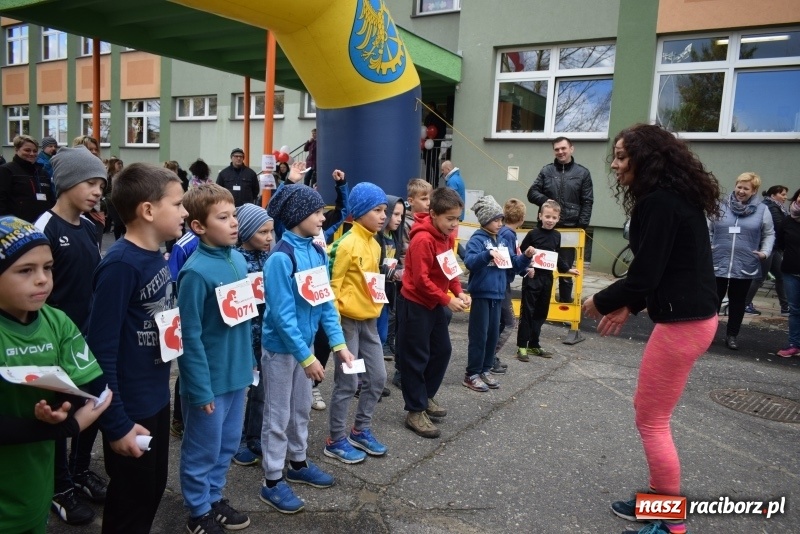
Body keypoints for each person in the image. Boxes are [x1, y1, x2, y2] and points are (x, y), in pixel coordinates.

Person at [582, 123, 721, 534]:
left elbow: (644, 275)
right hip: (692, 318)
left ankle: (669, 523)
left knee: (652, 420)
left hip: (686, 324)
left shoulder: (659, 201)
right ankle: (657, 501)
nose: (615, 163)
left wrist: (603, 301)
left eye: (622, 156)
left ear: (646, 159)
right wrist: (631, 304)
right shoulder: (674, 197)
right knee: (652, 415)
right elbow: (666, 269)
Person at [86, 163, 187, 534]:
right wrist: (116, 425)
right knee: (131, 501)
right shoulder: (120, 266)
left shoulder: (155, 256)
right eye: (177, 204)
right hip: (129, 411)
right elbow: (99, 352)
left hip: (156, 400)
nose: (185, 211)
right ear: (148, 210)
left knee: (152, 489)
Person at [0, 216, 112, 534]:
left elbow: (93, 383)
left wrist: (64, 405)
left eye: (47, 267)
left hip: (33, 493)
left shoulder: (56, 321)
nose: (42, 280)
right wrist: (67, 426)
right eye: (26, 270)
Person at [259, 184, 355, 513]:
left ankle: (297, 464)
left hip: (306, 349)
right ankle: (272, 480)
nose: (322, 217)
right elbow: (283, 319)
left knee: (300, 408)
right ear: (297, 215)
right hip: (281, 352)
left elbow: (325, 303)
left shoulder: (315, 250)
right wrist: (307, 358)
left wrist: (339, 345)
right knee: (277, 415)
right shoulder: (279, 259)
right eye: (316, 212)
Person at [34, 147, 109, 525]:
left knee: (90, 407)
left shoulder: (92, 227)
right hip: (52, 344)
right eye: (90, 182)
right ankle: (58, 487)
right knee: (57, 414)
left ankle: (79, 472)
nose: (98, 191)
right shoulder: (44, 228)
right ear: (65, 183)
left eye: (101, 185)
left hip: (86, 340)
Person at [176, 183, 254, 533]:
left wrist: (249, 365)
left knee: (227, 446)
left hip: (238, 375)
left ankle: (214, 497)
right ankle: (197, 511)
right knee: (201, 451)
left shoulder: (237, 258)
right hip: (209, 383)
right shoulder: (195, 272)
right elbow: (189, 337)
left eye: (234, 214)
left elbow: (242, 320)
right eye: (223, 217)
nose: (234, 222)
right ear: (199, 227)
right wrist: (200, 389)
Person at [398, 187, 471, 437]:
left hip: (435, 303)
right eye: (449, 218)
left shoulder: (446, 237)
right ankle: (415, 411)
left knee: (442, 351)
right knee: (416, 357)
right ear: (433, 214)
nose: (454, 224)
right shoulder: (423, 239)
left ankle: (425, 397)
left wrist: (458, 291)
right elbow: (420, 280)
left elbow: (449, 268)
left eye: (457, 219)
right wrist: (446, 299)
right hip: (417, 304)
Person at [325, 182, 389, 463]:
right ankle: (335, 439)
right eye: (377, 210)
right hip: (347, 324)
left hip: (369, 323)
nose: (383, 215)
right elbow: (332, 287)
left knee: (378, 378)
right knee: (347, 383)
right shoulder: (345, 244)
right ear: (360, 211)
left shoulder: (375, 243)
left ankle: (360, 430)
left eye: (384, 210)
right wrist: (335, 332)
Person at [463, 195, 533, 392]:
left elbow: (513, 264)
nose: (500, 223)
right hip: (482, 294)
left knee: (492, 334)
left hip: (498, 294)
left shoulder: (502, 239)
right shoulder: (478, 239)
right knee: (479, 335)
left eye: (501, 219)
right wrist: (487, 254)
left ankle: (485, 369)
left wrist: (526, 258)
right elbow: (470, 262)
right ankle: (472, 373)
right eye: (496, 220)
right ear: (485, 220)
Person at [710, 172, 774, 350]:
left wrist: (765, 252)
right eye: (739, 186)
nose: (741, 191)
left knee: (738, 303)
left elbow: (769, 233)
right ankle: (708, 334)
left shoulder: (763, 210)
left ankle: (732, 336)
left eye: (746, 188)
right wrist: (708, 246)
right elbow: (708, 228)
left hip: (745, 264)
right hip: (718, 261)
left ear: (754, 191)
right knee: (713, 301)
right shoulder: (720, 206)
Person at [231, 203, 274, 467]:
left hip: (264, 337)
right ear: (245, 232)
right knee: (238, 392)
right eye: (263, 232)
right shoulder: (236, 263)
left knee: (260, 391)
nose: (270, 237)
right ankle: (235, 441)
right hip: (241, 339)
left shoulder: (269, 259)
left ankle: (253, 435)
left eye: (271, 231)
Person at [527, 136, 593, 303]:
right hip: (546, 229)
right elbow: (532, 193)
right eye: (557, 149)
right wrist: (546, 202)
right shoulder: (546, 171)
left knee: (565, 271)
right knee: (540, 267)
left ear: (571, 149)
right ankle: (536, 303)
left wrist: (581, 227)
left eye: (563, 148)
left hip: (570, 229)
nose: (560, 152)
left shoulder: (583, 173)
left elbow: (587, 201)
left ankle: (565, 305)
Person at [516, 200, 579, 361]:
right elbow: (521, 252)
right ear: (540, 216)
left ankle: (534, 344)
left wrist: (567, 269)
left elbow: (556, 256)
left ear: (558, 219)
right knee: (528, 312)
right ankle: (522, 346)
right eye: (547, 216)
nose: (550, 220)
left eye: (554, 217)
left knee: (541, 312)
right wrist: (527, 260)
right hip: (532, 277)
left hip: (547, 279)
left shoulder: (557, 235)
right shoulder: (532, 234)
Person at [392, 178, 433, 389]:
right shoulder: (407, 223)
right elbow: (404, 250)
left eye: (430, 198)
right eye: (424, 198)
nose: (428, 202)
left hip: (418, 278)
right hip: (405, 278)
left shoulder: (428, 222)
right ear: (411, 200)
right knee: (403, 325)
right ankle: (401, 369)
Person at [492, 198, 527, 373]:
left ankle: (490, 355)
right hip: (502, 283)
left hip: (503, 282)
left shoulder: (506, 233)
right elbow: (511, 261)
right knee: (509, 322)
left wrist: (524, 269)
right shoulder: (509, 235)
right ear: (522, 219)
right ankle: (490, 356)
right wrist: (525, 263)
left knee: (502, 322)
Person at [745, 185, 789, 315]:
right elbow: (780, 225)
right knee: (759, 277)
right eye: (783, 194)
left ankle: (785, 307)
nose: (785, 197)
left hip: (773, 248)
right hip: (765, 247)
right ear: (773, 195)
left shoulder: (776, 207)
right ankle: (745, 304)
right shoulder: (770, 207)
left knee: (781, 275)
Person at [375, 195, 405, 359]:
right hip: (372, 294)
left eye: (401, 215)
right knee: (372, 337)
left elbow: (395, 261)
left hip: (387, 293)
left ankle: (372, 379)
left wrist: (401, 270)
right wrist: (392, 272)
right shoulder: (375, 237)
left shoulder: (394, 237)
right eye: (395, 214)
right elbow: (371, 267)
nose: (399, 219)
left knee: (382, 334)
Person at [0, 135, 55, 222]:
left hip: (41, 224)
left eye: (35, 151)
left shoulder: (42, 172)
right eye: (27, 150)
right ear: (16, 150)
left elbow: (51, 199)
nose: (32, 154)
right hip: (17, 226)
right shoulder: (6, 170)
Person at [776, 188, 800, 358]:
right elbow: (780, 243)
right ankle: (794, 344)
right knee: (795, 310)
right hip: (791, 272)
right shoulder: (788, 221)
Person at [423, 102, 447, 186]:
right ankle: (429, 181)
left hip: (434, 144)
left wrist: (435, 140)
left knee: (433, 163)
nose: (426, 109)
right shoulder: (429, 117)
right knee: (429, 163)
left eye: (428, 107)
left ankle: (434, 182)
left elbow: (442, 130)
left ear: (432, 107)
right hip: (428, 144)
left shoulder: (438, 117)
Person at [105, 157, 124, 236]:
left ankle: (122, 239)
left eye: (121, 164)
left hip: (121, 201)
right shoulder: (108, 176)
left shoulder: (122, 175)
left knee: (122, 222)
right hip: (111, 202)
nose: (120, 166)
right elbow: (105, 190)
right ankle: (117, 239)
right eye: (118, 164)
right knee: (118, 222)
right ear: (113, 165)